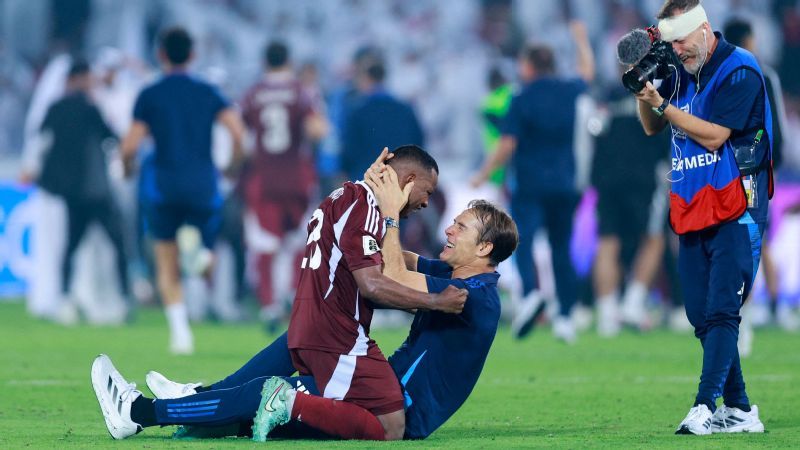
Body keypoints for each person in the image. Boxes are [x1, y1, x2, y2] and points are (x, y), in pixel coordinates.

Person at [89, 168, 518, 442]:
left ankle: (139, 412)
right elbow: (398, 258)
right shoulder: (453, 275)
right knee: (305, 337)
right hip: (382, 385)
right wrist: (363, 218)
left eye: (459, 228)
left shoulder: (477, 297)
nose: (447, 229)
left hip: (397, 407)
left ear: (483, 247)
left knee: (267, 396)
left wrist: (387, 216)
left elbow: (391, 272)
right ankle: (204, 397)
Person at [635, 0, 771, 434]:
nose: (677, 50)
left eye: (682, 41)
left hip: (737, 204)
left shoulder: (741, 69)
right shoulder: (676, 70)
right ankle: (741, 409)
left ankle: (703, 405)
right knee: (699, 313)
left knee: (721, 309)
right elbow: (651, 128)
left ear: (704, 30)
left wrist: (662, 105)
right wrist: (646, 90)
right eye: (671, 43)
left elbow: (715, 137)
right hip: (693, 202)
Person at [120, 27, 245, 354]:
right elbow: (237, 133)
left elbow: (130, 144)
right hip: (203, 183)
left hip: (163, 184)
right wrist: (232, 164)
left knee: (165, 259)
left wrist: (127, 167)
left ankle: (180, 332)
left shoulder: (150, 94)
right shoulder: (208, 92)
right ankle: (198, 257)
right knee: (206, 258)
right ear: (192, 54)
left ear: (161, 54)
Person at [472, 20, 595, 343]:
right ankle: (565, 317)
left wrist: (483, 174)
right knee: (561, 249)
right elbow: (587, 74)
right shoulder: (568, 91)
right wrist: (581, 40)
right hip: (565, 184)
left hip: (529, 184)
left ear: (528, 65)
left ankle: (529, 296)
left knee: (522, 242)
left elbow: (507, 144)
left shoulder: (521, 98)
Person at [30, 59, 131, 316]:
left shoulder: (56, 108)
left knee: (70, 246)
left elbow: (42, 140)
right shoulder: (89, 108)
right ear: (78, 78)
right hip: (95, 190)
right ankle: (122, 298)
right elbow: (111, 137)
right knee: (116, 242)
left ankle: (65, 299)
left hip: (72, 192)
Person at [240, 40, 328, 327]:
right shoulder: (301, 92)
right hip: (296, 177)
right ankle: (293, 292)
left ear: (265, 63)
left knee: (265, 243)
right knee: (299, 240)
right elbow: (317, 131)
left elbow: (241, 139)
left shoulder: (252, 94)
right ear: (288, 62)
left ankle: (268, 305)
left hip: (264, 178)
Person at [723, 18, 797, 336]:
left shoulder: (719, 75)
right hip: (757, 166)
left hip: (730, 168)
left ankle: (752, 307)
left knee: (743, 239)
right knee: (757, 238)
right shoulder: (764, 74)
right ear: (749, 40)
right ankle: (771, 307)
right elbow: (776, 123)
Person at [590, 66, 671, 336]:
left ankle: (606, 314)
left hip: (608, 177)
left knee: (608, 241)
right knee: (653, 238)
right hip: (644, 176)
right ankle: (632, 304)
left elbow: (594, 134)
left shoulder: (607, 95)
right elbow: (664, 134)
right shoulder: (654, 91)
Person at [340, 58, 425, 182]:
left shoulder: (357, 112)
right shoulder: (405, 110)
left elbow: (348, 150)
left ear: (366, 78)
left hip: (367, 182)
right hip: (399, 181)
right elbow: (419, 143)